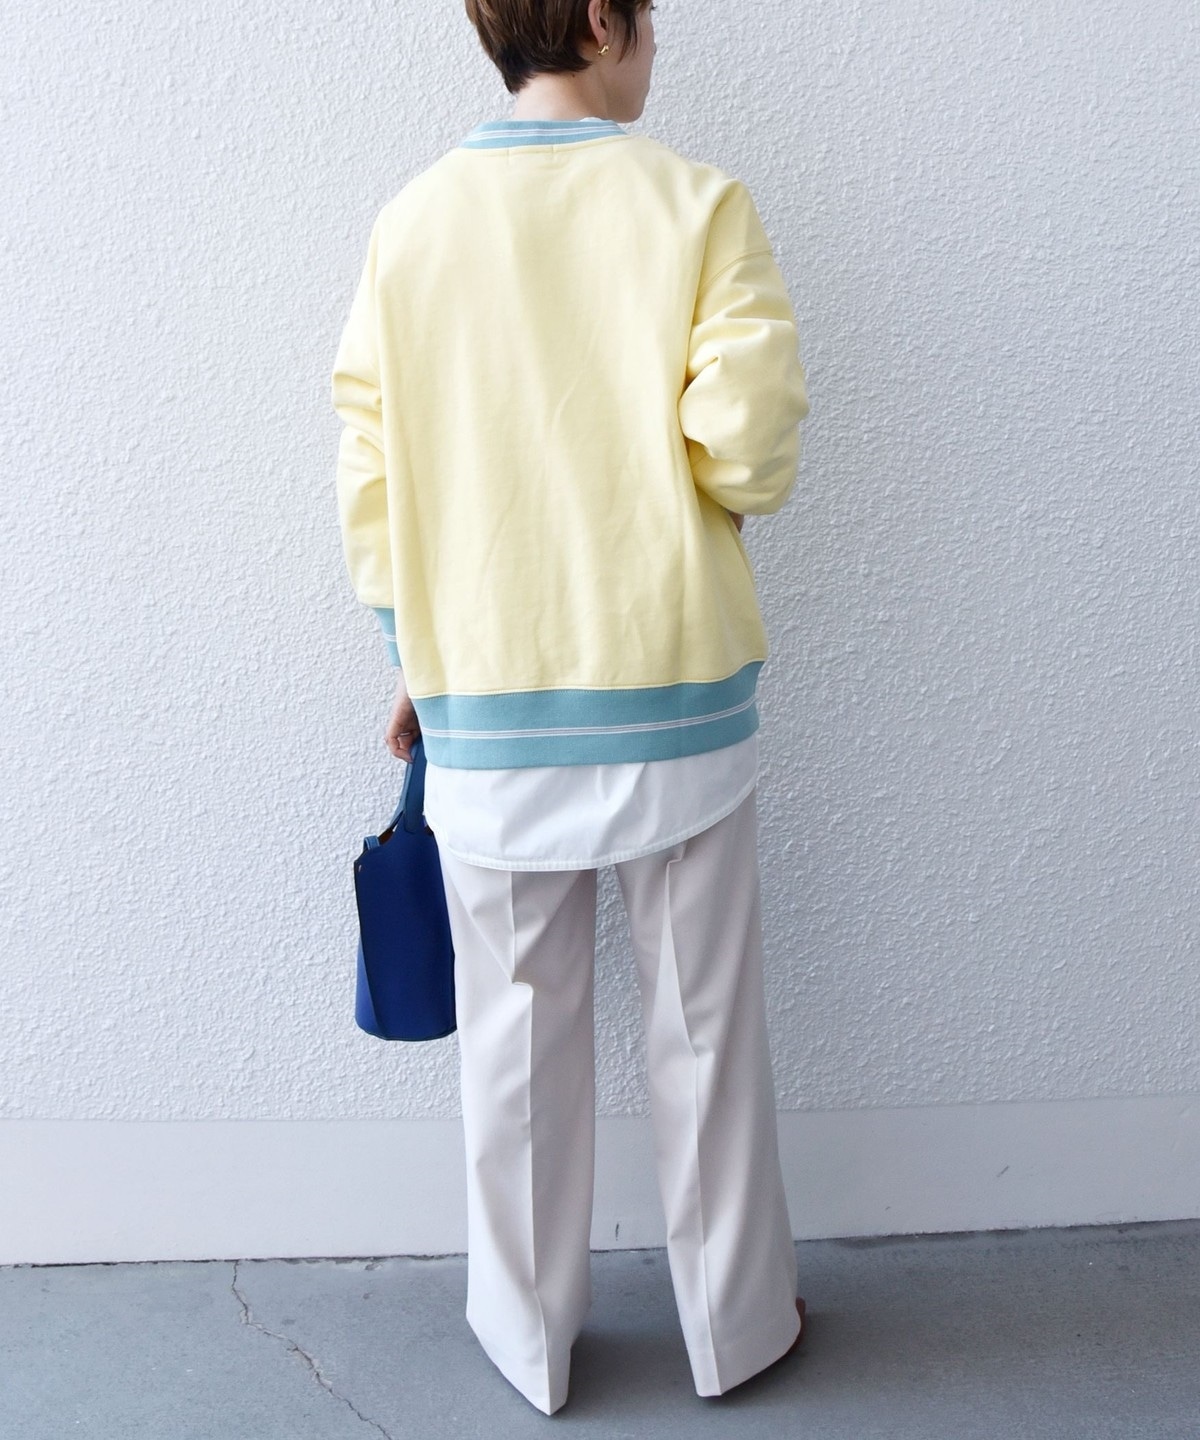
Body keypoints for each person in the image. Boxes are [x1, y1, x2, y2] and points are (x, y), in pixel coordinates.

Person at [331, 0, 810, 1415]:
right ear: (602, 21)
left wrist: (412, 653)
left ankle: (527, 1343)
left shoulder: (412, 226)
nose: (658, 45)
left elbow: (370, 479)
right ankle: (738, 1331)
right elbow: (748, 453)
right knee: (705, 1030)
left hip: (486, 695)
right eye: (650, 19)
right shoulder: (698, 206)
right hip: (675, 693)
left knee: (516, 1044)